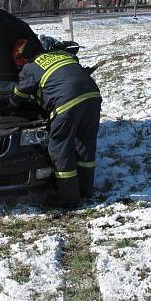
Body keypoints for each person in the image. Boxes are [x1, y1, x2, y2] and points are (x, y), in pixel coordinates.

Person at [10, 34, 102, 209]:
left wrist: (11, 103)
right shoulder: (62, 55)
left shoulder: (31, 66)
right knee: (85, 143)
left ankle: (67, 199)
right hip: (92, 96)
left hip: (68, 101)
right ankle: (85, 190)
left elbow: (20, 94)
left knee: (60, 147)